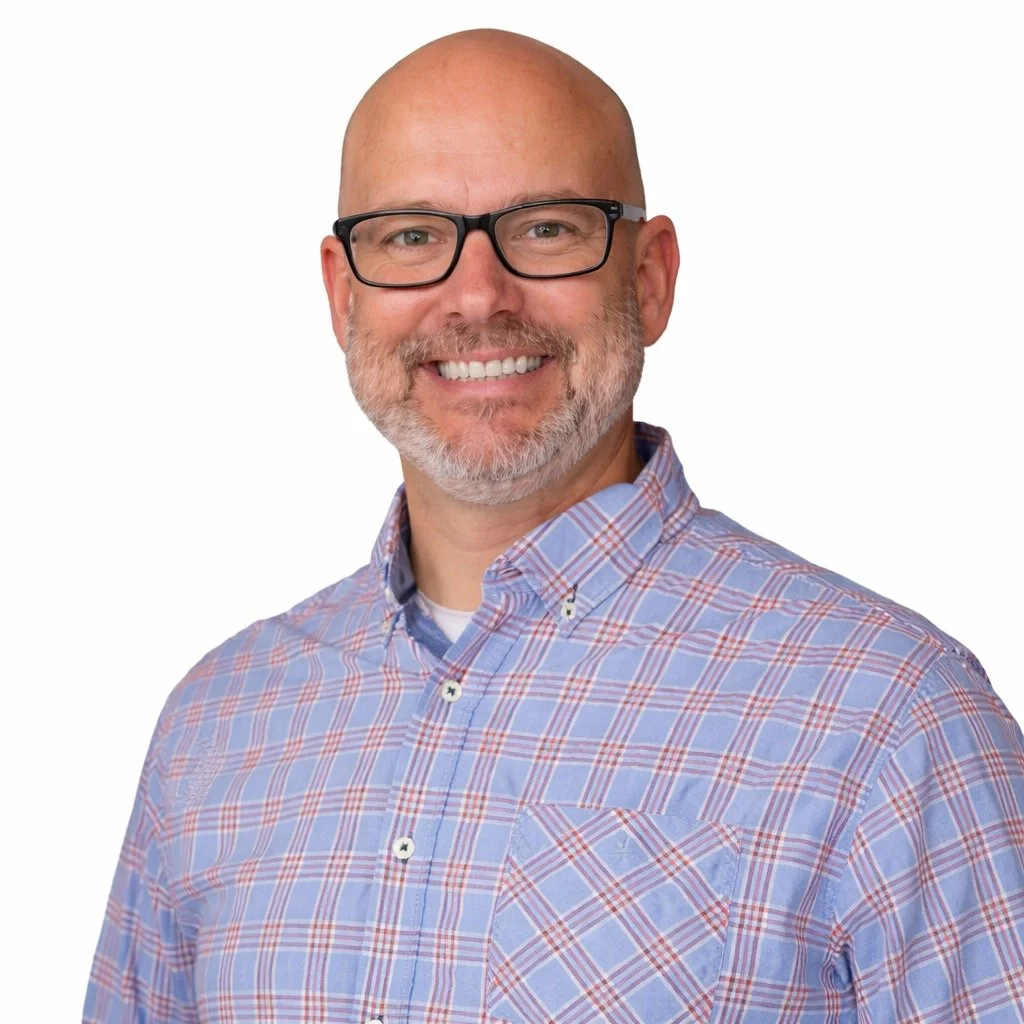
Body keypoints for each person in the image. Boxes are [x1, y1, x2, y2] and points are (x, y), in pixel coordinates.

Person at [83, 26, 1024, 1024]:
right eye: (410, 236)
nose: (478, 294)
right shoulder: (217, 726)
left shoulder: (889, 719)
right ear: (340, 292)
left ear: (650, 276)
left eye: (545, 228)